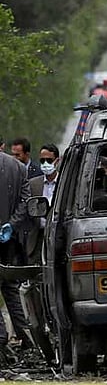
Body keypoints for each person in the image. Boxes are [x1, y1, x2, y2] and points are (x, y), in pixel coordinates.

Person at [0, 149, 32, 358]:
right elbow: (25, 200)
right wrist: (12, 224)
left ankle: (1, 338)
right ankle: (26, 335)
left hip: (7, 235)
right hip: (8, 238)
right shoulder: (18, 167)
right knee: (10, 287)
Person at [24, 144, 61, 264]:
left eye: (49, 160)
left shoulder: (64, 183)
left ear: (57, 160)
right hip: (37, 238)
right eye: (42, 160)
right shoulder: (33, 184)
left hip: (58, 237)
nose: (45, 163)